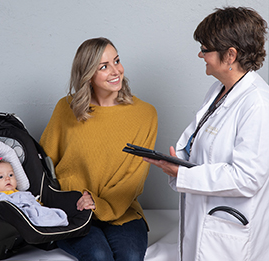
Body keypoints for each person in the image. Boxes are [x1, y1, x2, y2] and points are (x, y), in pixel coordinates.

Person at [144, 6, 269, 261]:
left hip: (229, 236)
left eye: (205, 49)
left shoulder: (258, 103)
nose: (200, 55)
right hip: (200, 223)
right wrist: (175, 160)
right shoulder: (218, 90)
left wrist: (186, 174)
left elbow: (248, 177)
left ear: (230, 55)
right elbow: (196, 141)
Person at [39, 37, 158, 261]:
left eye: (117, 61)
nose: (116, 71)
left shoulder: (145, 114)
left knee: (130, 257)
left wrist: (98, 203)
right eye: (103, 66)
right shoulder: (66, 108)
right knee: (97, 255)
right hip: (73, 209)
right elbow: (45, 163)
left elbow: (135, 177)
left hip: (121, 210)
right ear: (88, 74)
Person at [0, 157, 69, 227]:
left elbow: (34, 202)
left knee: (51, 213)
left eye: (11, 175)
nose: (8, 178)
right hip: (16, 216)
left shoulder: (22, 193)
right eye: (1, 177)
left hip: (32, 210)